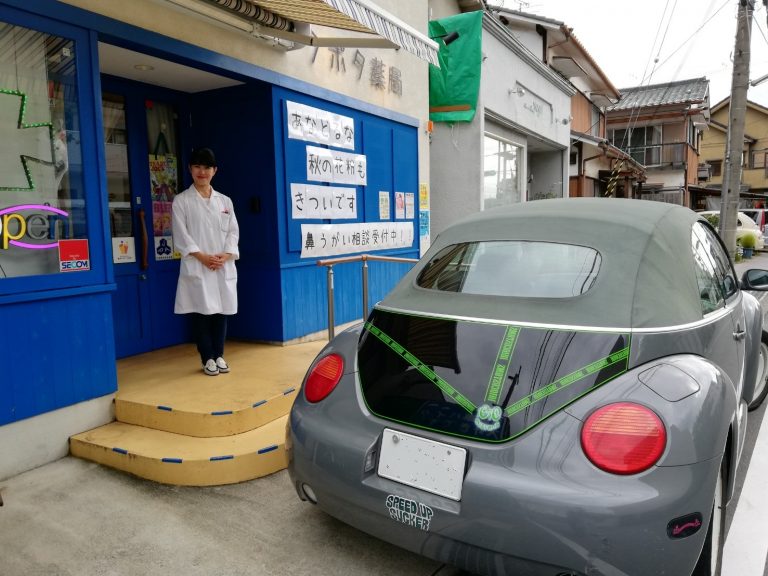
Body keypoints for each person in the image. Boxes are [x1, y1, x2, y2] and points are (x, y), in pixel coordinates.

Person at [172, 147, 239, 376]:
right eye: (197, 166)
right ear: (190, 169)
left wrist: (226, 255)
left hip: (221, 264)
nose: (202, 172)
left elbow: (233, 232)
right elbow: (181, 235)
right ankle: (207, 357)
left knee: (221, 311)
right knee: (201, 312)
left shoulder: (225, 201)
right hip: (198, 264)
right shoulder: (182, 201)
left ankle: (219, 354)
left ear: (214, 170)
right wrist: (202, 256)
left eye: (207, 167)